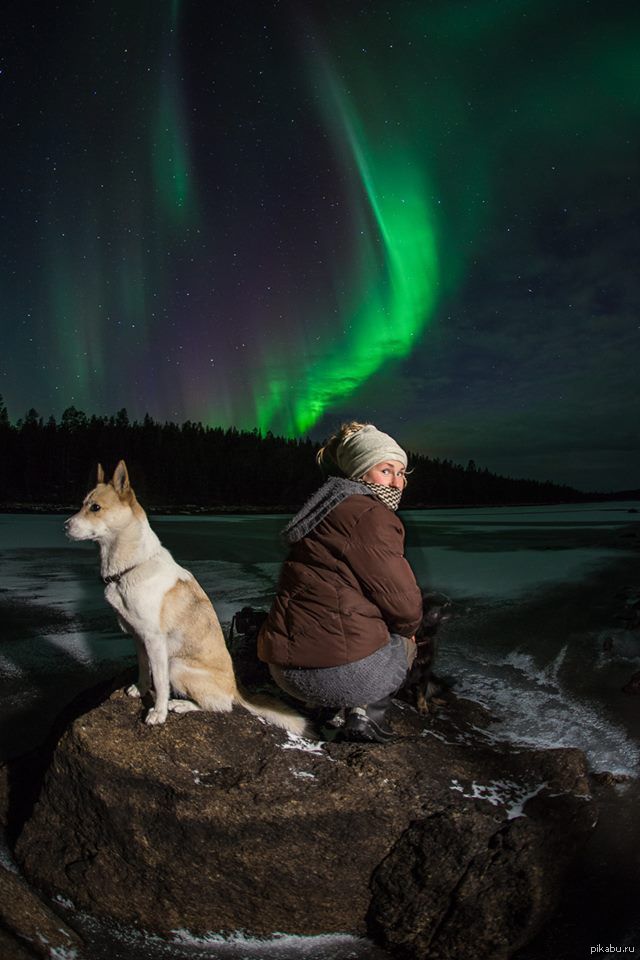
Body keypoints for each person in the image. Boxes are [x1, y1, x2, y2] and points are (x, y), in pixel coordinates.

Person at [257, 421, 423, 743]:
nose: (397, 482)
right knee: (405, 641)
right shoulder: (370, 515)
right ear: (361, 473)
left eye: (401, 473)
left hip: (283, 670)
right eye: (386, 471)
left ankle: (330, 711)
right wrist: (409, 629)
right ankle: (364, 715)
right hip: (330, 676)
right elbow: (404, 605)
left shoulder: (324, 508)